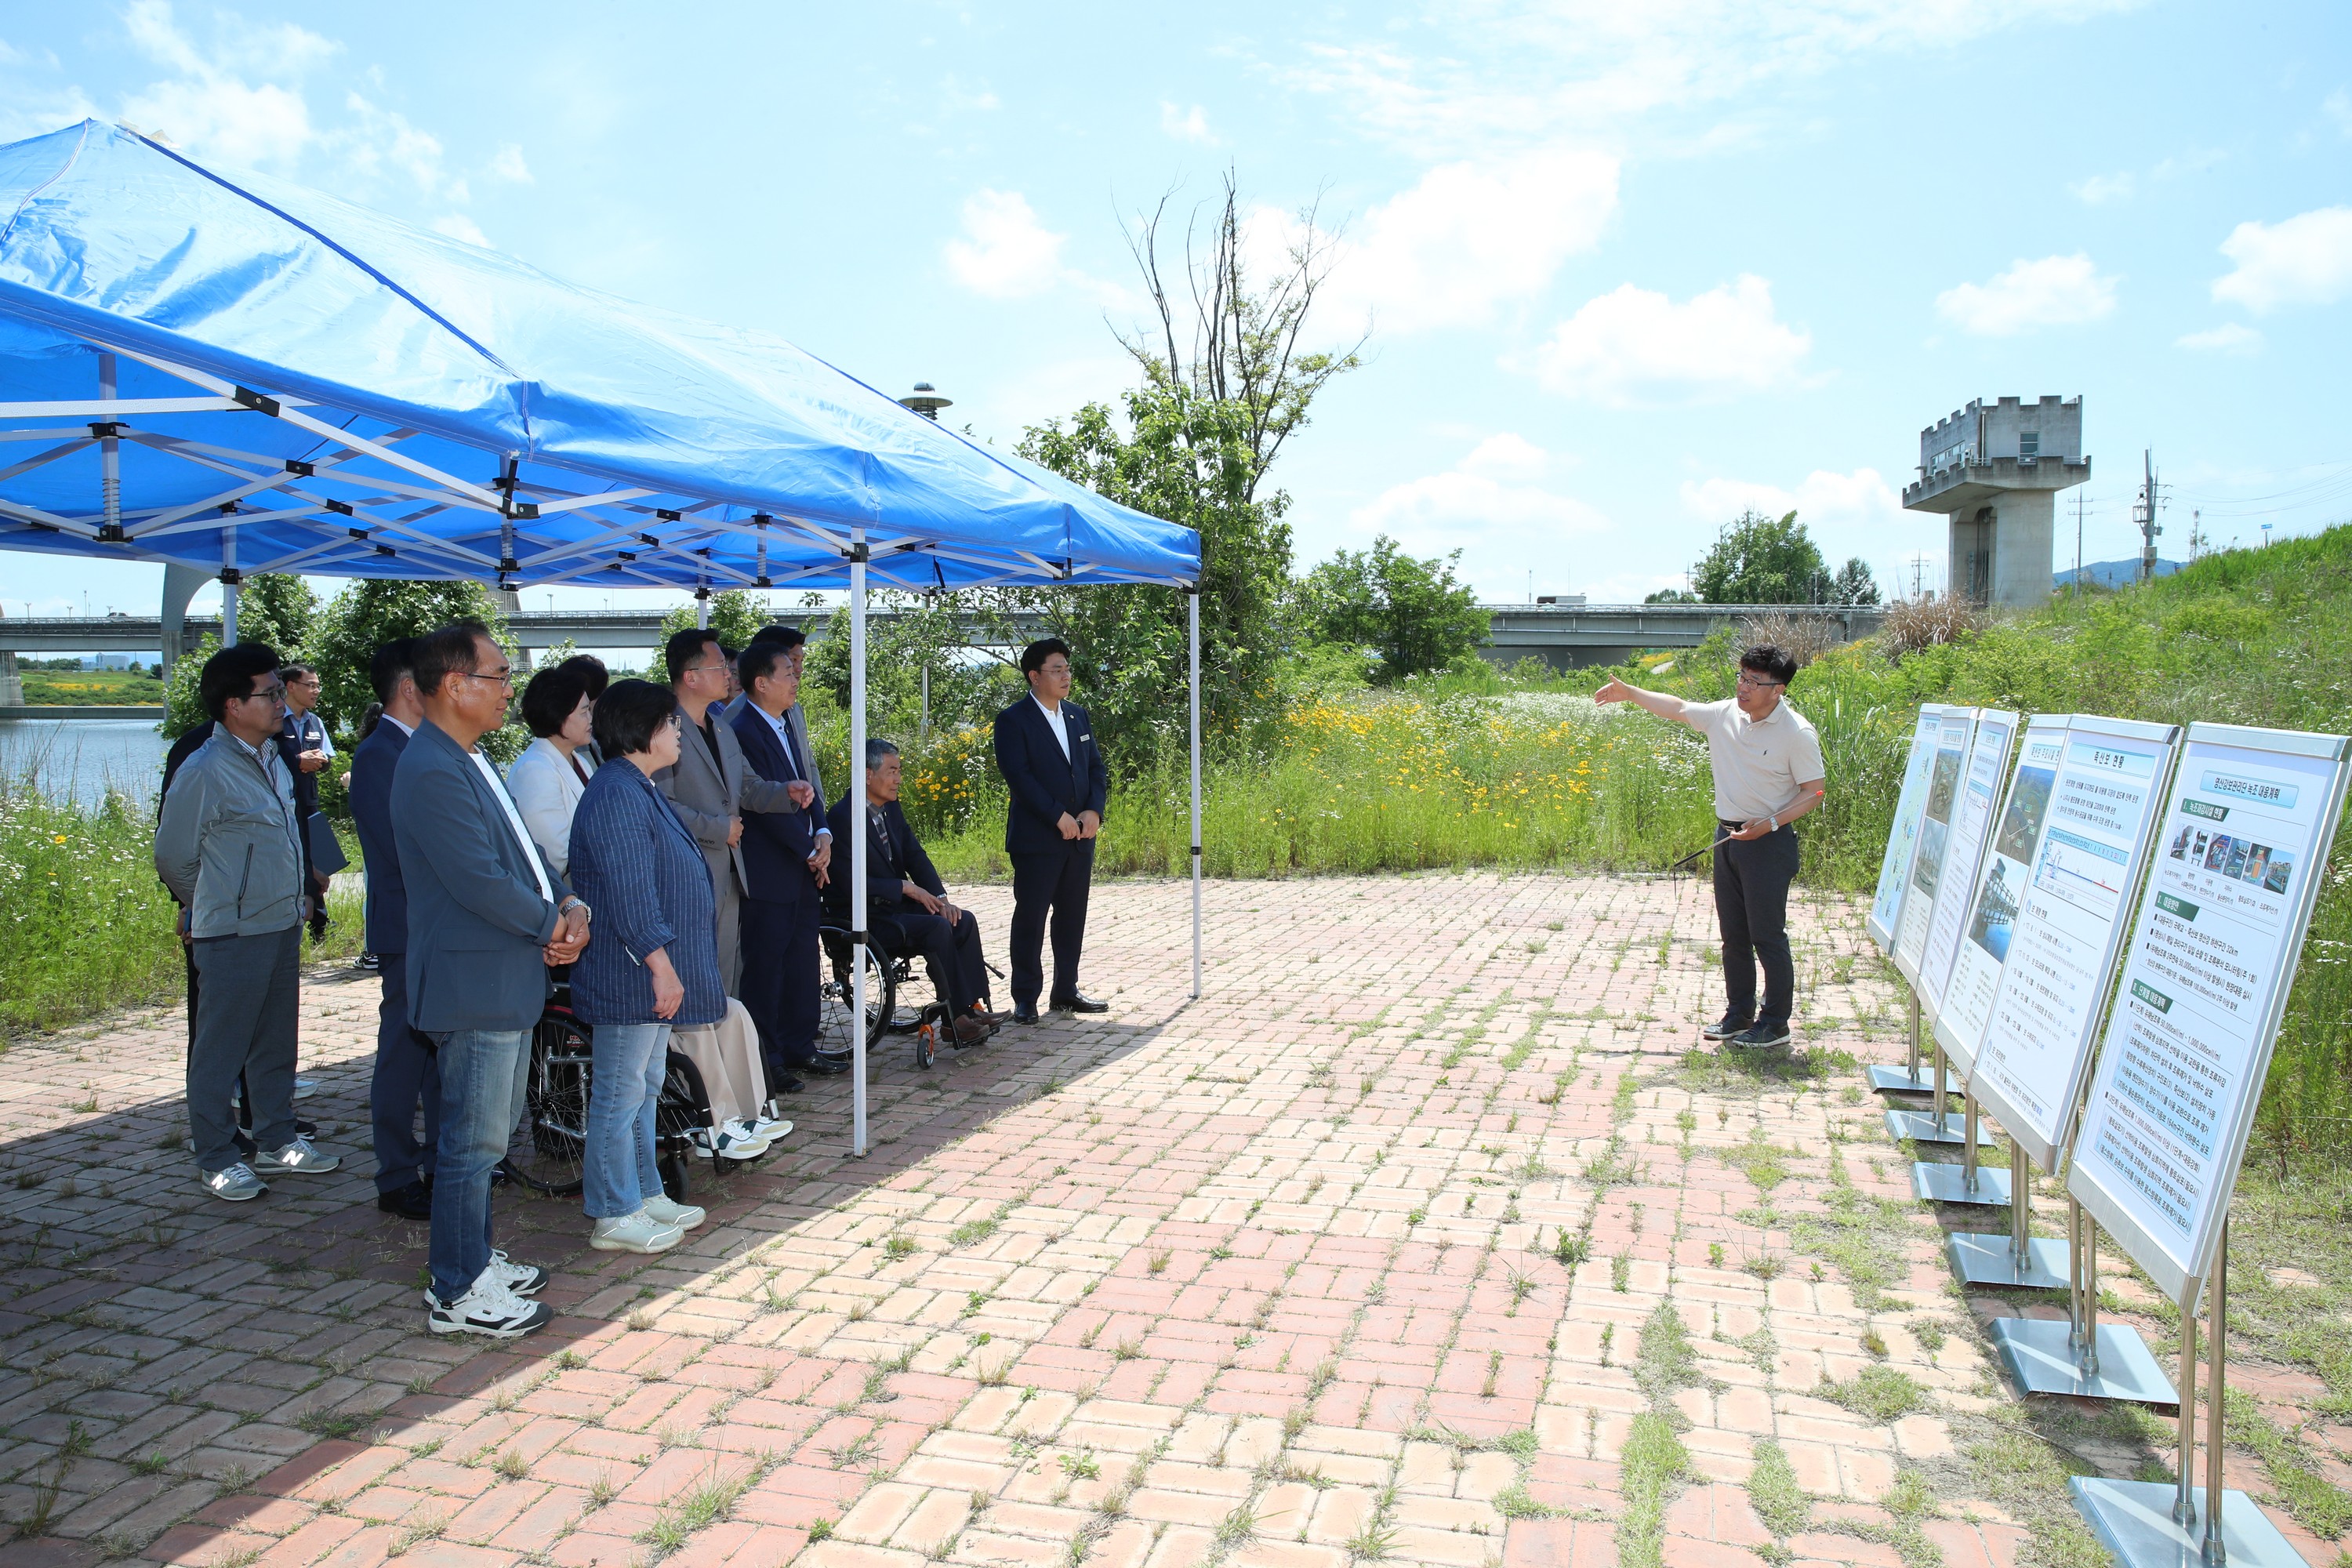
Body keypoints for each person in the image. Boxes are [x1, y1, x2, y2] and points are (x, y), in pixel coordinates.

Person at [392, 621, 587, 1338]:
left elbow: (524, 856)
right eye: (498, 676)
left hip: (503, 976)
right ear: (453, 686)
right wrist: (551, 926)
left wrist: (565, 901)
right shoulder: (431, 768)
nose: (510, 688)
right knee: (469, 1144)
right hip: (473, 985)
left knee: (490, 1137)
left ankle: (472, 1259)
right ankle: (455, 1289)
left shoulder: (467, 757)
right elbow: (476, 879)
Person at [153, 643, 341, 1200]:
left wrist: (298, 894)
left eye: (281, 692)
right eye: (270, 694)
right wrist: (215, 902)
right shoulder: (205, 769)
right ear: (233, 705)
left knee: (274, 1044)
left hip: (279, 925)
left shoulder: (273, 758)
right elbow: (173, 857)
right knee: (221, 1051)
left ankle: (278, 1140)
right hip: (231, 932)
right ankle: (216, 1156)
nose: (282, 702)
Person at [1596, 644, 1827, 1050]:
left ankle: (1775, 1023)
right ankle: (1738, 1015)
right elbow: (1680, 708)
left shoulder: (1797, 733)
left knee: (1767, 936)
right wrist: (1632, 693)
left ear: (1780, 689)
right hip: (1727, 839)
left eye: (1755, 681)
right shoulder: (1726, 715)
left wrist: (1770, 823)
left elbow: (1814, 792)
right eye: (1742, 677)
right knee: (1733, 935)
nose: (1744, 687)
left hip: (1768, 843)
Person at [565, 680, 726, 1252]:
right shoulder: (616, 792)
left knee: (645, 1086)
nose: (680, 731)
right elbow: (631, 894)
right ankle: (613, 1211)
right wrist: (662, 965)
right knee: (619, 1092)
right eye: (671, 722)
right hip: (628, 971)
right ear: (643, 729)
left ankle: (645, 1193)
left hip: (645, 970)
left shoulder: (639, 785)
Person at [658, 631, 825, 1065]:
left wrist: (788, 791)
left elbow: (748, 788)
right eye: (718, 667)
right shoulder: (663, 726)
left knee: (728, 975)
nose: (729, 674)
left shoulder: (719, 727)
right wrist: (718, 827)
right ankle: (697, 1073)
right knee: (702, 974)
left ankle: (731, 1068)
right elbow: (658, 805)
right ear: (691, 677)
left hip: (732, 875)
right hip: (691, 873)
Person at [827, 738, 994, 1045]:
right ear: (867, 774)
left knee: (962, 920)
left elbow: (916, 855)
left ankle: (972, 1006)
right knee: (936, 928)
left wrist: (941, 898)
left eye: (899, 771)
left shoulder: (890, 809)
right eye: (892, 771)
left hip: (894, 908)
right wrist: (904, 887)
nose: (899, 779)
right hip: (863, 915)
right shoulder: (842, 818)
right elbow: (849, 883)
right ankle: (954, 1019)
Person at [350, 637, 437, 1221]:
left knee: (438, 1052)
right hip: (409, 929)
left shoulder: (425, 747)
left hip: (436, 927)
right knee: (403, 1054)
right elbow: (407, 853)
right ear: (411, 690)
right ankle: (396, 1172)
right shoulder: (381, 755)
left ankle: (444, 1159)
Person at [731, 640, 838, 1088]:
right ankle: (767, 1057)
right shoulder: (739, 728)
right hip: (770, 863)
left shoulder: (788, 720)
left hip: (803, 858)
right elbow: (756, 801)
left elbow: (807, 781)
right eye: (787, 673)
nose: (795, 679)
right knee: (766, 964)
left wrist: (824, 832)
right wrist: (807, 849)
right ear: (761, 682)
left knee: (801, 959)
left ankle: (800, 1046)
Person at [993, 638, 1109, 1023]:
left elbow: (1095, 768)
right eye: (1056, 669)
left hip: (1080, 838)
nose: (1065, 676)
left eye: (1067, 669)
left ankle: (1066, 990)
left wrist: (1093, 809)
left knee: (1072, 915)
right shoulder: (1014, 720)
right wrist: (1056, 815)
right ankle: (1026, 996)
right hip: (1038, 839)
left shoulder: (1077, 716)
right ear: (1034, 676)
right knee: (1031, 917)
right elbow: (1019, 778)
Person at [506, 666, 597, 877]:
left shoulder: (578, 760)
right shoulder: (535, 770)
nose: (591, 719)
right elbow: (552, 856)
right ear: (559, 715)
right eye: (584, 711)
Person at [724, 625, 824, 807]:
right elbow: (749, 789)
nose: (799, 669)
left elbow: (808, 763)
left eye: (801, 660)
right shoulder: (737, 716)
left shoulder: (795, 710)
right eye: (792, 661)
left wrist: (819, 817)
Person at [280, 662, 335, 943]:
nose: (316, 691)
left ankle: (320, 927)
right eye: (310, 685)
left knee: (318, 860)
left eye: (318, 685)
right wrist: (298, 761)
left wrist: (318, 762)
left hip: (309, 801)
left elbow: (327, 759)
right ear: (291, 686)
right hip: (281, 803)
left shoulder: (315, 722)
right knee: (291, 859)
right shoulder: (275, 719)